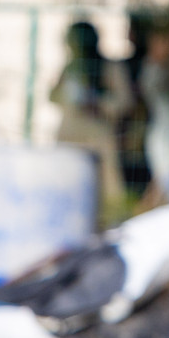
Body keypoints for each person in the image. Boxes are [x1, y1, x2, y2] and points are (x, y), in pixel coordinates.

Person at [51, 20, 133, 219]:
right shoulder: (70, 68)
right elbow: (52, 97)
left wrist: (98, 104)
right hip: (70, 137)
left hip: (98, 138)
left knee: (106, 188)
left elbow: (125, 101)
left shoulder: (109, 67)